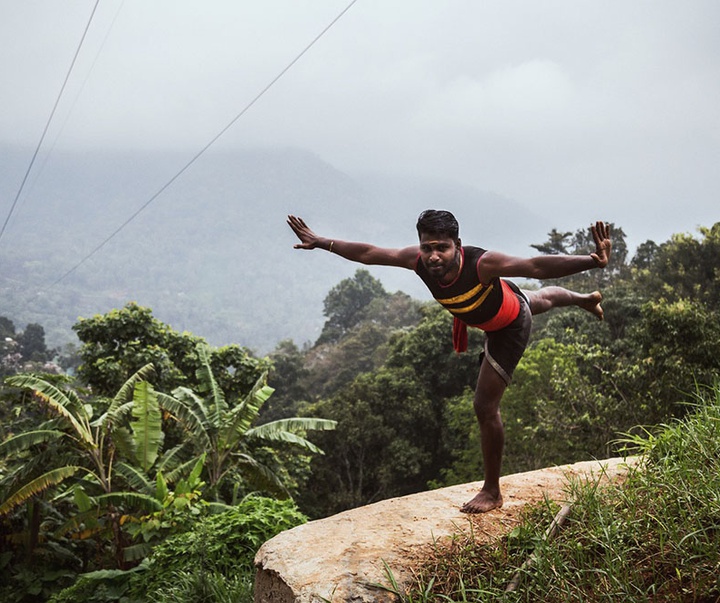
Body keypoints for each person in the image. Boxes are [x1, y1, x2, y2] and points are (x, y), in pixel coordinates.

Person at [287, 211, 611, 513]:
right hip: (501, 303)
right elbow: (370, 253)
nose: (433, 256)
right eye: (427, 248)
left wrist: (592, 261)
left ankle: (492, 491)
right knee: (541, 298)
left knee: (485, 407)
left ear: (457, 245)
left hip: (508, 327)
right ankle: (584, 299)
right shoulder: (418, 262)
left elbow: (535, 266)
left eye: (442, 247)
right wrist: (322, 243)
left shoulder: (483, 264)